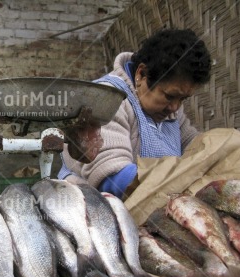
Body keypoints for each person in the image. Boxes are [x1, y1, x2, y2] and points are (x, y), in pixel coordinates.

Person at [58, 28, 212, 199]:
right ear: (142, 74)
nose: (175, 107)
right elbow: (112, 177)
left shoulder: (171, 112)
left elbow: (198, 148)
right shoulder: (105, 99)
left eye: (183, 99)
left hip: (155, 205)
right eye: (169, 96)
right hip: (98, 209)